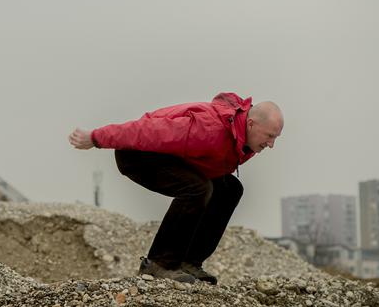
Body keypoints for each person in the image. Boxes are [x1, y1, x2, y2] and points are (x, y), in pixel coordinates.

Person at [68, 92, 283, 284]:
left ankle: (189, 262)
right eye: (270, 136)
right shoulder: (208, 129)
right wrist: (95, 138)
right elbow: (144, 131)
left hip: (173, 159)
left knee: (229, 189)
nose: (271, 144)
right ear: (252, 124)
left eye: (276, 138)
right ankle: (158, 264)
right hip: (136, 154)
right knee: (198, 188)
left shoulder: (242, 136)